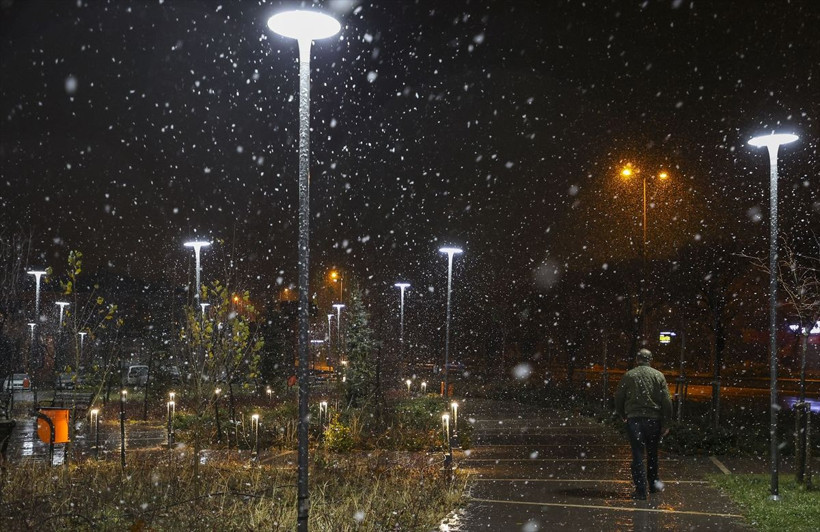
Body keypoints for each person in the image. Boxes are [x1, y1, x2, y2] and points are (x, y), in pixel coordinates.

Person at [614, 348, 673, 500]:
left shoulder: (629, 376)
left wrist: (622, 414)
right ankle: (653, 484)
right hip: (654, 420)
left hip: (634, 420)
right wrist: (666, 423)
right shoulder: (658, 376)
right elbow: (667, 401)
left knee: (638, 454)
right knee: (652, 453)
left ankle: (641, 490)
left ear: (637, 359)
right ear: (650, 359)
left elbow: (619, 397)